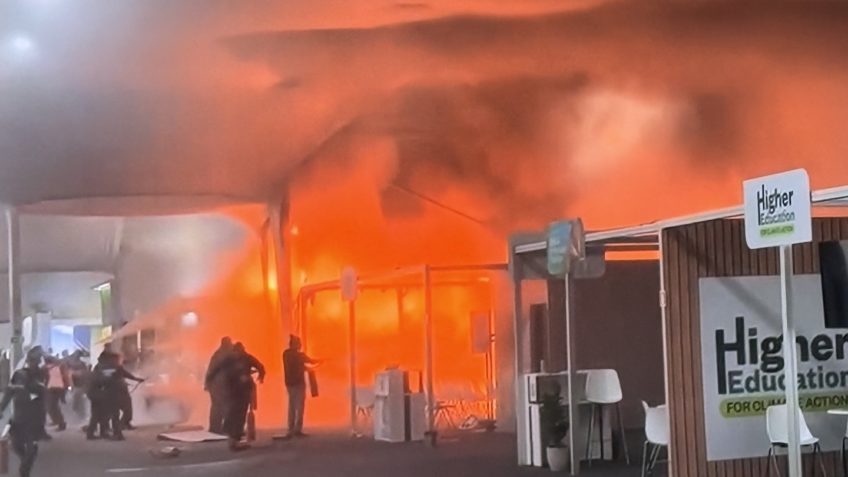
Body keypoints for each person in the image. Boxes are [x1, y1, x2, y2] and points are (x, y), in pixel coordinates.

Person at [0, 347, 47, 477]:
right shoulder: (18, 375)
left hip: (35, 417)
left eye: (36, 360)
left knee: (31, 447)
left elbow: (41, 394)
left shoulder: (41, 375)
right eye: (32, 360)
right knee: (16, 444)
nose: (34, 363)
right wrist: (1, 408)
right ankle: (25, 461)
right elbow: (9, 393)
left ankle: (24, 470)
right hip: (19, 416)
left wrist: (30, 390)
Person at [211, 342, 264, 451]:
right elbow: (216, 369)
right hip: (236, 391)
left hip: (239, 391)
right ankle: (233, 439)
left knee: (237, 414)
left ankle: (234, 439)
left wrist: (261, 376)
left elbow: (216, 369)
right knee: (235, 414)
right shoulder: (236, 359)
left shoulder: (236, 359)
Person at [283, 335, 318, 438]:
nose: (300, 345)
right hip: (298, 384)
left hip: (289, 384)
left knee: (292, 407)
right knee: (299, 407)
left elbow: (299, 366)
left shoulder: (286, 354)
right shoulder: (299, 356)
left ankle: (291, 429)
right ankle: (297, 429)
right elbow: (310, 361)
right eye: (299, 343)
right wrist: (320, 361)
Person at [86, 351, 124, 440]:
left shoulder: (99, 367)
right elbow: (106, 381)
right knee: (110, 414)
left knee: (101, 414)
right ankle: (116, 434)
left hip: (98, 394)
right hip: (102, 394)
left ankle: (99, 433)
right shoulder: (110, 368)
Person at [204, 337, 233, 434]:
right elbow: (213, 370)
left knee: (219, 406)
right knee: (219, 407)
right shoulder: (222, 355)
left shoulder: (219, 354)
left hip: (217, 385)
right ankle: (216, 428)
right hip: (218, 386)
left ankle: (216, 427)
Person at [44, 355, 69, 431]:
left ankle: (61, 423)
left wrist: (66, 387)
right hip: (55, 388)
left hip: (55, 388)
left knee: (52, 406)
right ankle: (57, 421)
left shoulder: (59, 367)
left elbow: (65, 377)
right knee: (52, 406)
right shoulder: (50, 368)